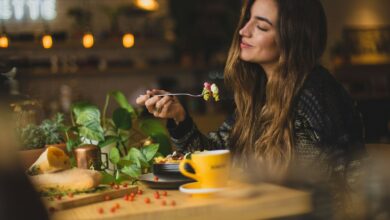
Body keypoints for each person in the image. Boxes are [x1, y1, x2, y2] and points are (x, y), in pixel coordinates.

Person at [136, 0, 366, 214]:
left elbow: (309, 191)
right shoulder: (262, 93)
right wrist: (179, 118)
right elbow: (218, 155)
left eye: (262, 27)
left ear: (292, 39)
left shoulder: (314, 94)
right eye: (248, 20)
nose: (243, 31)